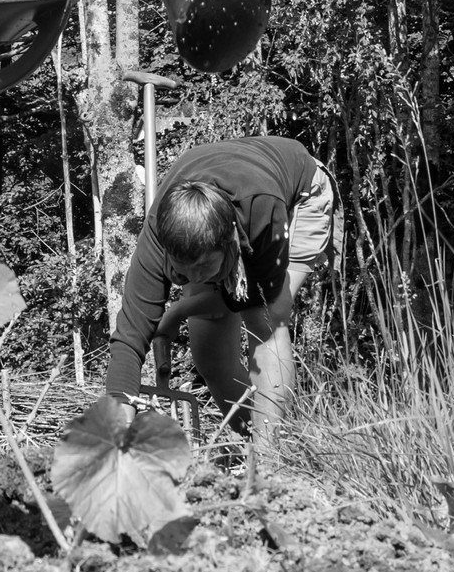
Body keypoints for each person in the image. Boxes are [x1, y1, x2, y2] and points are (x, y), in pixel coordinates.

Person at [106, 136, 338, 442]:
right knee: (209, 354)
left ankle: (274, 462)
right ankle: (255, 444)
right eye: (180, 271)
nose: (192, 278)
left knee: (267, 319)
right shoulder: (157, 237)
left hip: (297, 193)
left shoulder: (260, 213)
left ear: (230, 243)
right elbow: (129, 337)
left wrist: (178, 311)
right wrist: (117, 429)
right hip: (220, 210)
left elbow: (260, 323)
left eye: (202, 270)